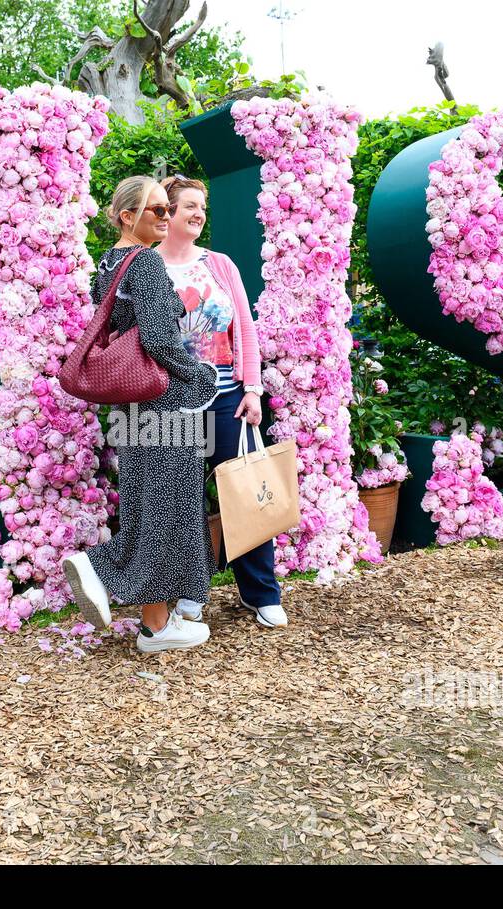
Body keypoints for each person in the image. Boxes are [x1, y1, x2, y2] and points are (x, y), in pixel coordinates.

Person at [60, 176, 219, 653]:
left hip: (130, 408)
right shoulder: (147, 262)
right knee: (170, 508)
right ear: (128, 216)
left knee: (152, 506)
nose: (165, 218)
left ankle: (156, 624)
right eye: (155, 210)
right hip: (164, 404)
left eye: (167, 210)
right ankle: (99, 566)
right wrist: (200, 375)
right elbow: (158, 340)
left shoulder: (109, 264)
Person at [155, 174, 287, 628]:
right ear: (165, 212)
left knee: (247, 492)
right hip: (171, 403)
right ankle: (190, 595)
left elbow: (244, 328)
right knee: (181, 504)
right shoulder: (145, 267)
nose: (198, 214)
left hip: (229, 395)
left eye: (202, 208)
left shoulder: (220, 265)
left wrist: (252, 389)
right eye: (188, 205)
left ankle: (261, 593)